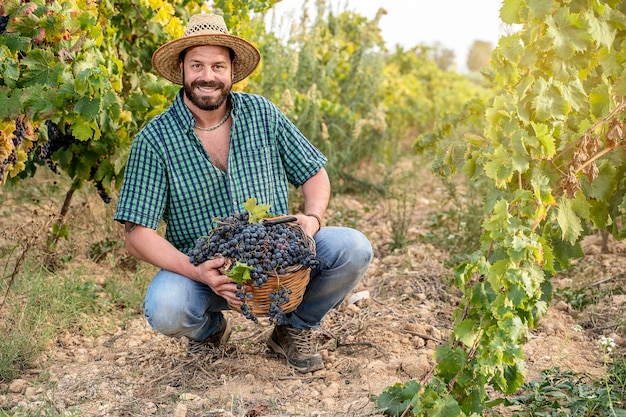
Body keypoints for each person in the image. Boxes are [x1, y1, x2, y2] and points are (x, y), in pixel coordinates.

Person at [113, 13, 373, 374]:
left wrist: (312, 219)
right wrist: (199, 271)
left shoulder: (262, 114)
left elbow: (315, 173)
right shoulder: (155, 139)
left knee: (354, 248)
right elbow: (136, 235)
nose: (208, 76)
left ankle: (293, 329)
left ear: (232, 70)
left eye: (218, 65)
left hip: (278, 261)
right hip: (204, 271)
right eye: (198, 65)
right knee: (166, 308)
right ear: (183, 70)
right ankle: (208, 331)